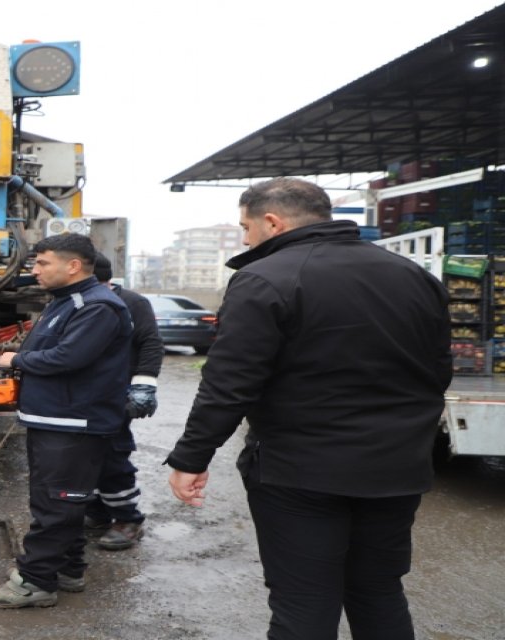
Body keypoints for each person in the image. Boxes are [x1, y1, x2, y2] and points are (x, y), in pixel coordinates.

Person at [165, 178, 452, 639]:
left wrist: (189, 459)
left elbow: (228, 385)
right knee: (378, 592)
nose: (244, 239)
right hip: (396, 469)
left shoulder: (263, 278)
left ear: (272, 221)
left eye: (246, 227)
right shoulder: (414, 276)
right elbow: (438, 371)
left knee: (304, 601)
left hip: (299, 473)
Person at [0, 233, 132, 609]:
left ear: (73, 265)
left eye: (43, 263)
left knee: (56, 506)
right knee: (60, 501)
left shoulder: (96, 306)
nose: (35, 270)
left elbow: (68, 358)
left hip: (74, 424)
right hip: (55, 421)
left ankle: (35, 583)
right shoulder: (65, 303)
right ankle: (66, 570)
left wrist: (17, 361)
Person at [83, 253, 163, 550]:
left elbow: (151, 343)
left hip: (115, 396)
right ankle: (97, 512)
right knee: (82, 456)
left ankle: (128, 520)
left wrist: (144, 385)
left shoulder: (132, 303)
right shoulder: (72, 301)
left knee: (111, 456)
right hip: (81, 397)